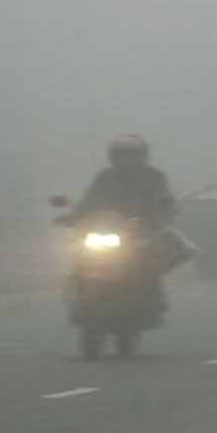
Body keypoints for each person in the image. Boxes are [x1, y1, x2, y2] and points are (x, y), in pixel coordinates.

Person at [57, 135, 179, 327]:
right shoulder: (105, 177)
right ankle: (79, 300)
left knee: (148, 260)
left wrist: (162, 216)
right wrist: (73, 215)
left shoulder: (154, 177)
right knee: (78, 255)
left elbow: (165, 200)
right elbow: (89, 200)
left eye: (132, 155)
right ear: (113, 157)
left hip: (140, 231)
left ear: (142, 156)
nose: (127, 160)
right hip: (108, 229)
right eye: (122, 155)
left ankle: (152, 301)